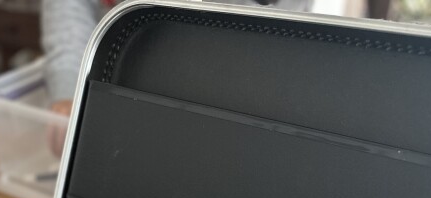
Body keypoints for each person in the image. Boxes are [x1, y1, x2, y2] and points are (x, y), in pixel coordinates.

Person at [41, 0, 313, 119]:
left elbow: (279, 31)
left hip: (239, 85)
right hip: (119, 89)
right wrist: (69, 88)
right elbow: (68, 11)